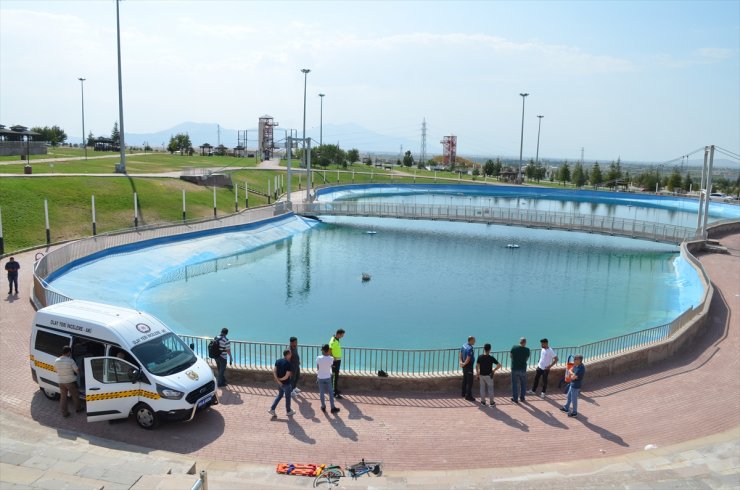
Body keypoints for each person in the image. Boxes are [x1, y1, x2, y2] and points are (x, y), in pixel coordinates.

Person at [54, 346, 82, 417]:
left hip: (61, 382)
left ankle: (64, 413)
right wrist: (79, 368)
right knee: (75, 395)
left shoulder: (57, 360)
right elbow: (77, 371)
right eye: (70, 352)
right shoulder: (70, 360)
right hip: (70, 382)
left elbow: (55, 370)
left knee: (63, 397)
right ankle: (78, 409)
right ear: (69, 352)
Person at [268, 349, 296, 417]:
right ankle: (288, 411)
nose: (291, 355)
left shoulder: (278, 361)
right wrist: (280, 380)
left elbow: (274, 371)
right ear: (288, 355)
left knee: (280, 395)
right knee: (288, 397)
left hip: (279, 384)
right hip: (286, 384)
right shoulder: (288, 364)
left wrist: (278, 381)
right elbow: (287, 376)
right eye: (290, 354)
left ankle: (272, 409)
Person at [316, 344, 340, 413]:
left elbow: (318, 368)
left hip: (320, 377)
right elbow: (331, 364)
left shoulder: (318, 358)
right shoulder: (331, 358)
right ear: (328, 350)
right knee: (331, 393)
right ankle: (332, 408)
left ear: (323, 350)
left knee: (321, 393)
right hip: (328, 377)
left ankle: (323, 406)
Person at [510, 337, 530, 403]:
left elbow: (511, 356)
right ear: (525, 342)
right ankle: (522, 398)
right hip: (523, 369)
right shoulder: (527, 350)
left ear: (520, 341)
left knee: (514, 384)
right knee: (523, 384)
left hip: (514, 368)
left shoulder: (514, 347)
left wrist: (515, 361)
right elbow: (526, 359)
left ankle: (515, 399)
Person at [329, 329, 345, 399]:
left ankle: (335, 389)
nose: (343, 336)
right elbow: (330, 350)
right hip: (335, 361)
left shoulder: (336, 339)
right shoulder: (333, 340)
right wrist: (333, 357)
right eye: (342, 334)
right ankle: (334, 393)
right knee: (335, 376)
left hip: (338, 360)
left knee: (336, 375)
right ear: (339, 334)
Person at [459, 336, 476, 402]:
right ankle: (468, 396)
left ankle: (463, 393)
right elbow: (468, 358)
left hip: (464, 364)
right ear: (471, 340)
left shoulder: (464, 345)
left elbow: (460, 353)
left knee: (465, 379)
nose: (475, 342)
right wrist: (464, 363)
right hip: (468, 366)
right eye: (474, 340)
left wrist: (461, 362)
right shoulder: (470, 348)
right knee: (470, 382)